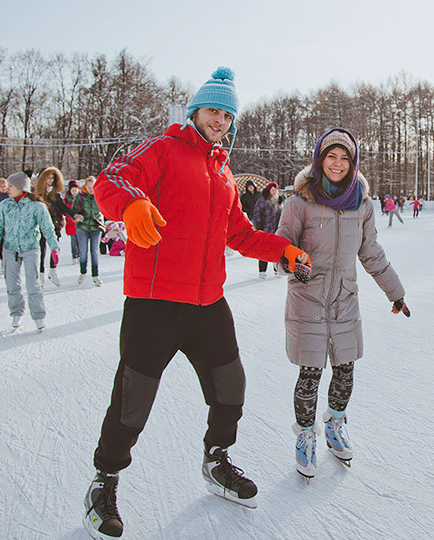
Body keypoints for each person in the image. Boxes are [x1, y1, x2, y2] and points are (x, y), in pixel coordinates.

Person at [85, 67, 311, 539]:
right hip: (153, 304)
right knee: (133, 403)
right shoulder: (163, 149)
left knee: (231, 389)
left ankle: (216, 460)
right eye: (213, 111)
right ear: (195, 111)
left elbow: (241, 234)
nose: (220, 121)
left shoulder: (223, 171)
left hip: (207, 304)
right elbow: (110, 180)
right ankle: (103, 483)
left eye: (228, 115)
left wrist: (283, 252)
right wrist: (130, 204)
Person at [276, 127, 408, 479]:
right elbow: (280, 248)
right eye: (331, 156)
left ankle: (335, 423)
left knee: (346, 370)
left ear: (353, 163)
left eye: (344, 158)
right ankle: (306, 436)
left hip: (345, 300)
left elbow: (371, 253)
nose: (337, 164)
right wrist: (293, 264)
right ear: (320, 159)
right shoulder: (299, 202)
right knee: (310, 373)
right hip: (308, 299)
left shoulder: (362, 204)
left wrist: (395, 292)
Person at [0, 172, 58, 330]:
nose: (7, 188)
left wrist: (54, 247)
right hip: (10, 249)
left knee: (33, 284)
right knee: (12, 284)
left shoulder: (36, 205)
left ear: (21, 187)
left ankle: (39, 315)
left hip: (30, 249)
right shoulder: (5, 205)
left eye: (11, 186)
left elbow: (47, 228)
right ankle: (16, 312)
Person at [34, 167, 80, 286]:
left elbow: (62, 206)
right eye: (48, 178)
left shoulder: (56, 193)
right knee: (42, 249)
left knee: (55, 248)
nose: (50, 180)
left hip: (55, 223)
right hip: (42, 225)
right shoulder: (37, 194)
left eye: (52, 178)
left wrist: (73, 214)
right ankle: (41, 274)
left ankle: (53, 270)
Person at [72, 176, 106, 286]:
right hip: (83, 227)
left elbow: (105, 209)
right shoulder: (80, 196)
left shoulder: (99, 195)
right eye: (89, 187)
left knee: (94, 252)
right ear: (85, 186)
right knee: (83, 251)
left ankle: (95, 275)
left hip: (95, 227)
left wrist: (102, 220)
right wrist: (77, 216)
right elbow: (74, 210)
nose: (91, 189)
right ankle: (83, 272)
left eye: (93, 187)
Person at [252, 181, 282, 278]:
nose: (274, 192)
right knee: (264, 250)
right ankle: (262, 270)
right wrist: (259, 226)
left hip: (277, 229)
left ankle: (277, 269)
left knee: (277, 250)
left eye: (276, 190)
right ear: (269, 191)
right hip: (265, 229)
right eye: (272, 190)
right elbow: (257, 213)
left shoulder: (279, 200)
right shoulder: (263, 200)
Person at [64, 180, 81, 263]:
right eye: (73, 190)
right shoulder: (66, 200)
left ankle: (81, 255)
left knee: (80, 240)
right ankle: (75, 255)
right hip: (71, 223)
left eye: (75, 190)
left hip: (80, 223)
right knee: (73, 240)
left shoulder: (81, 198)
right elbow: (63, 209)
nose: (74, 192)